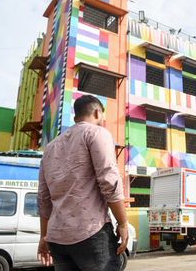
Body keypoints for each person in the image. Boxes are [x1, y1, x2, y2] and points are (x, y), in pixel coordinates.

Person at [36, 95, 128, 271]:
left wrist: (44, 236)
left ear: (75, 116)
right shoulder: (96, 133)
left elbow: (43, 198)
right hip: (90, 233)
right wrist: (122, 224)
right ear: (97, 112)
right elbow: (109, 182)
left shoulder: (50, 148)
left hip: (57, 239)